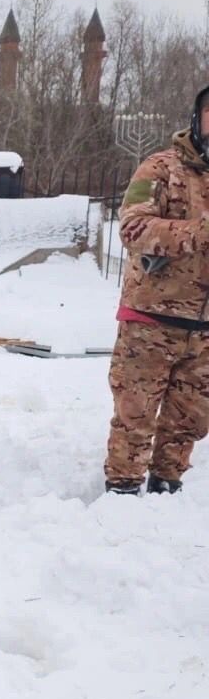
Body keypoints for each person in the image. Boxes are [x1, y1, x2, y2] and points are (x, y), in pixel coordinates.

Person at [104, 83, 209, 495]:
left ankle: (168, 486)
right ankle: (123, 490)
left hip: (204, 331)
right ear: (196, 119)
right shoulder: (162, 168)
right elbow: (133, 228)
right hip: (150, 320)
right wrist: (199, 232)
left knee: (192, 418)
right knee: (135, 413)